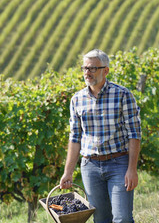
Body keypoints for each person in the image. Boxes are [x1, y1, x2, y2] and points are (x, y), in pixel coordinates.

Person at [59, 49, 141, 223]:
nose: (87, 73)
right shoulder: (77, 99)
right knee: (101, 219)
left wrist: (132, 169)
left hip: (118, 163)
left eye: (92, 68)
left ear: (106, 70)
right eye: (85, 68)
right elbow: (75, 138)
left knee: (123, 218)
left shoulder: (123, 95)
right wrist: (68, 172)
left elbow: (134, 134)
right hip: (90, 167)